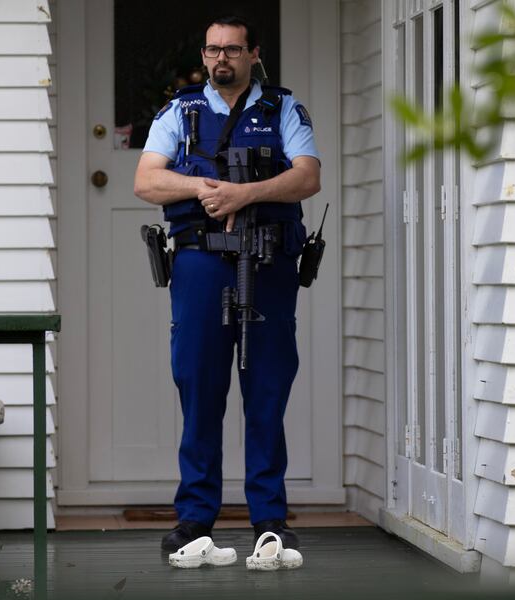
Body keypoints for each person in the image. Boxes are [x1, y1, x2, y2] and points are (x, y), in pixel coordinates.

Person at [133, 15, 321, 555]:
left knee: (266, 389)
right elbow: (146, 179)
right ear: (204, 53)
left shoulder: (283, 108)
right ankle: (195, 519)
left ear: (253, 54)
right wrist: (203, 187)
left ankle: (269, 519)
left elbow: (308, 176)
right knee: (198, 386)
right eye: (213, 50)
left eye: (232, 50)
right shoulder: (182, 109)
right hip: (200, 263)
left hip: (268, 262)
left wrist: (246, 196)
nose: (221, 59)